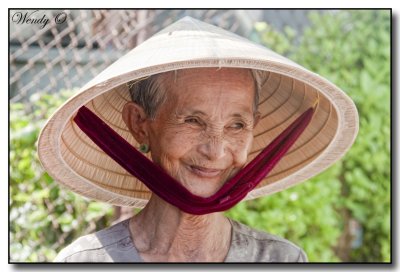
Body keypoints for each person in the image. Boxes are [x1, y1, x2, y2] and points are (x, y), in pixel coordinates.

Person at [38, 16, 358, 263]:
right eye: (193, 120)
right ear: (139, 124)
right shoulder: (85, 262)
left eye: (237, 125)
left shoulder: (281, 261)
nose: (215, 151)